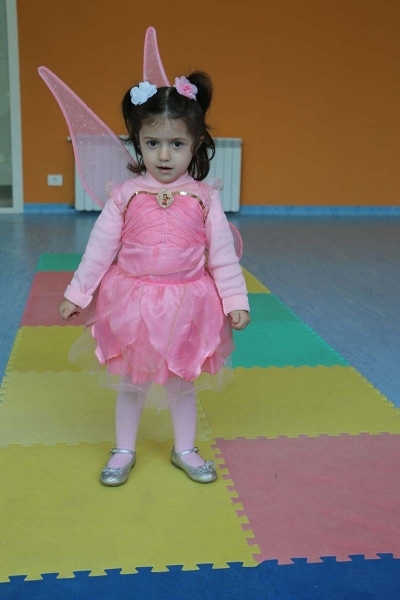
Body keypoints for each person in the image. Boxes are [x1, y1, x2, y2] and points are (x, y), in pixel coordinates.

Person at [59, 71, 250, 487]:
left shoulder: (205, 197)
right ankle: (124, 449)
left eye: (176, 144)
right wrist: (78, 293)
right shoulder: (124, 195)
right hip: (132, 305)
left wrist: (236, 301)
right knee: (132, 382)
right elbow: (99, 250)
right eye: (152, 143)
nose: (164, 155)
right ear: (138, 143)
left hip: (188, 305)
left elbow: (222, 258)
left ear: (195, 145)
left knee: (182, 380)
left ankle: (185, 448)